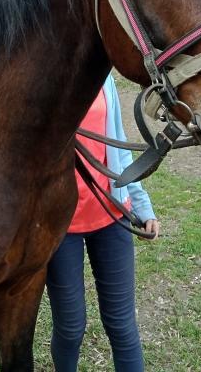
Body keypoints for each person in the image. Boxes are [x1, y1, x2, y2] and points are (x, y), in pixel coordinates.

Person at [46, 73, 158, 372]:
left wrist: (142, 205)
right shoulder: (42, 71)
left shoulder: (103, 77)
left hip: (111, 216)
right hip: (61, 227)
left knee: (122, 326)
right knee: (70, 328)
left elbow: (117, 146)